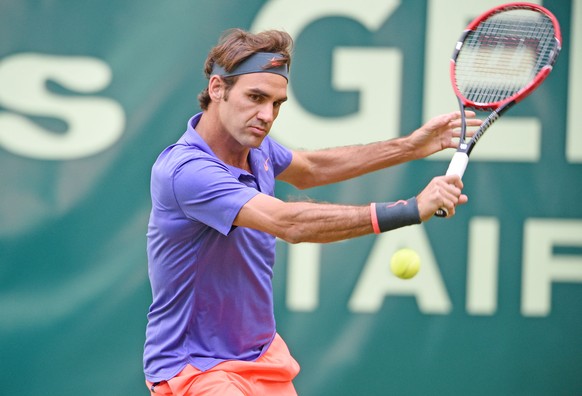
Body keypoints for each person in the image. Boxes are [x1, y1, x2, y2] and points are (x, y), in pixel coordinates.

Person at [143, 28, 480, 395]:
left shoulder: (257, 149)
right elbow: (289, 223)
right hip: (196, 368)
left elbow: (312, 169)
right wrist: (410, 209)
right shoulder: (187, 171)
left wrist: (411, 147)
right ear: (217, 89)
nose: (266, 114)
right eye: (255, 97)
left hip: (261, 358)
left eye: (276, 103)